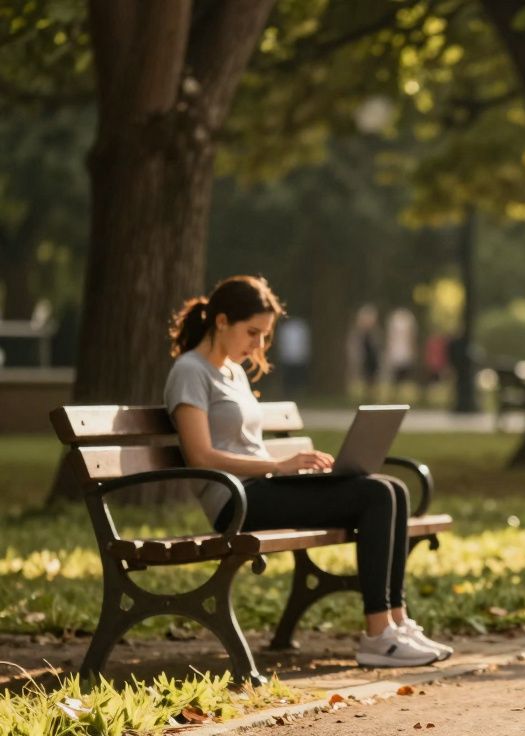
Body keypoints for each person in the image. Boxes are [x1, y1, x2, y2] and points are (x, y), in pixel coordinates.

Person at [163, 275, 453, 667]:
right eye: (252, 332)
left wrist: (300, 473)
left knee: (393, 489)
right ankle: (377, 635)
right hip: (234, 501)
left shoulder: (234, 372)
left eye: (265, 336)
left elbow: (244, 442)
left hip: (264, 488)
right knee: (376, 495)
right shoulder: (190, 371)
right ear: (221, 321)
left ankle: (397, 623)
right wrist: (278, 465)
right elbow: (200, 456)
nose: (258, 345)